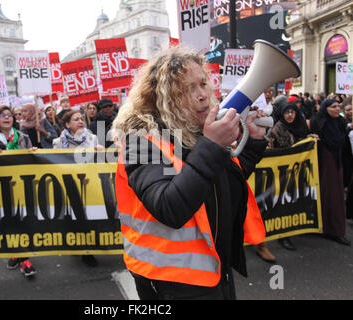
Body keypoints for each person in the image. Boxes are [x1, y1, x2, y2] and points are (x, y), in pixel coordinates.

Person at [112, 46, 268, 300]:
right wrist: (212, 146)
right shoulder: (140, 142)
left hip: (214, 269)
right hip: (169, 281)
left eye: (203, 84)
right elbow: (170, 207)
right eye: (187, 89)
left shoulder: (196, 132)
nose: (202, 96)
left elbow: (221, 183)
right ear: (162, 98)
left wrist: (251, 146)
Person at [0, 105, 37, 277]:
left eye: (9, 115)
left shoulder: (24, 138)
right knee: (8, 220)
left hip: (21, 186)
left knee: (23, 219)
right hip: (0, 188)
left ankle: (24, 258)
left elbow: (32, 161)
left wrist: (33, 152)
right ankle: (16, 251)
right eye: (2, 115)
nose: (7, 118)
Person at [52, 110, 101, 267]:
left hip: (89, 185)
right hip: (69, 185)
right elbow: (53, 164)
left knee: (89, 218)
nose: (80, 121)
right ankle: (76, 244)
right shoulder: (58, 143)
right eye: (75, 119)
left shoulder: (93, 139)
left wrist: (100, 152)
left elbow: (100, 164)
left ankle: (88, 252)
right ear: (67, 124)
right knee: (74, 217)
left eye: (81, 119)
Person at [269, 103, 315, 251]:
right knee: (284, 201)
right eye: (287, 112)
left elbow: (299, 139)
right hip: (282, 172)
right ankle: (283, 236)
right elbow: (287, 148)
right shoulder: (278, 128)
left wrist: (308, 138)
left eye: (292, 112)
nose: (290, 115)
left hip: (297, 170)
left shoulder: (299, 125)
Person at [310, 99, 350, 246]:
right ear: (325, 108)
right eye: (333, 107)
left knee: (335, 196)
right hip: (323, 164)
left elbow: (343, 143)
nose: (337, 109)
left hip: (336, 162)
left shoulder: (340, 122)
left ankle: (335, 230)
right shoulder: (318, 121)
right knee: (325, 195)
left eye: (338, 106)